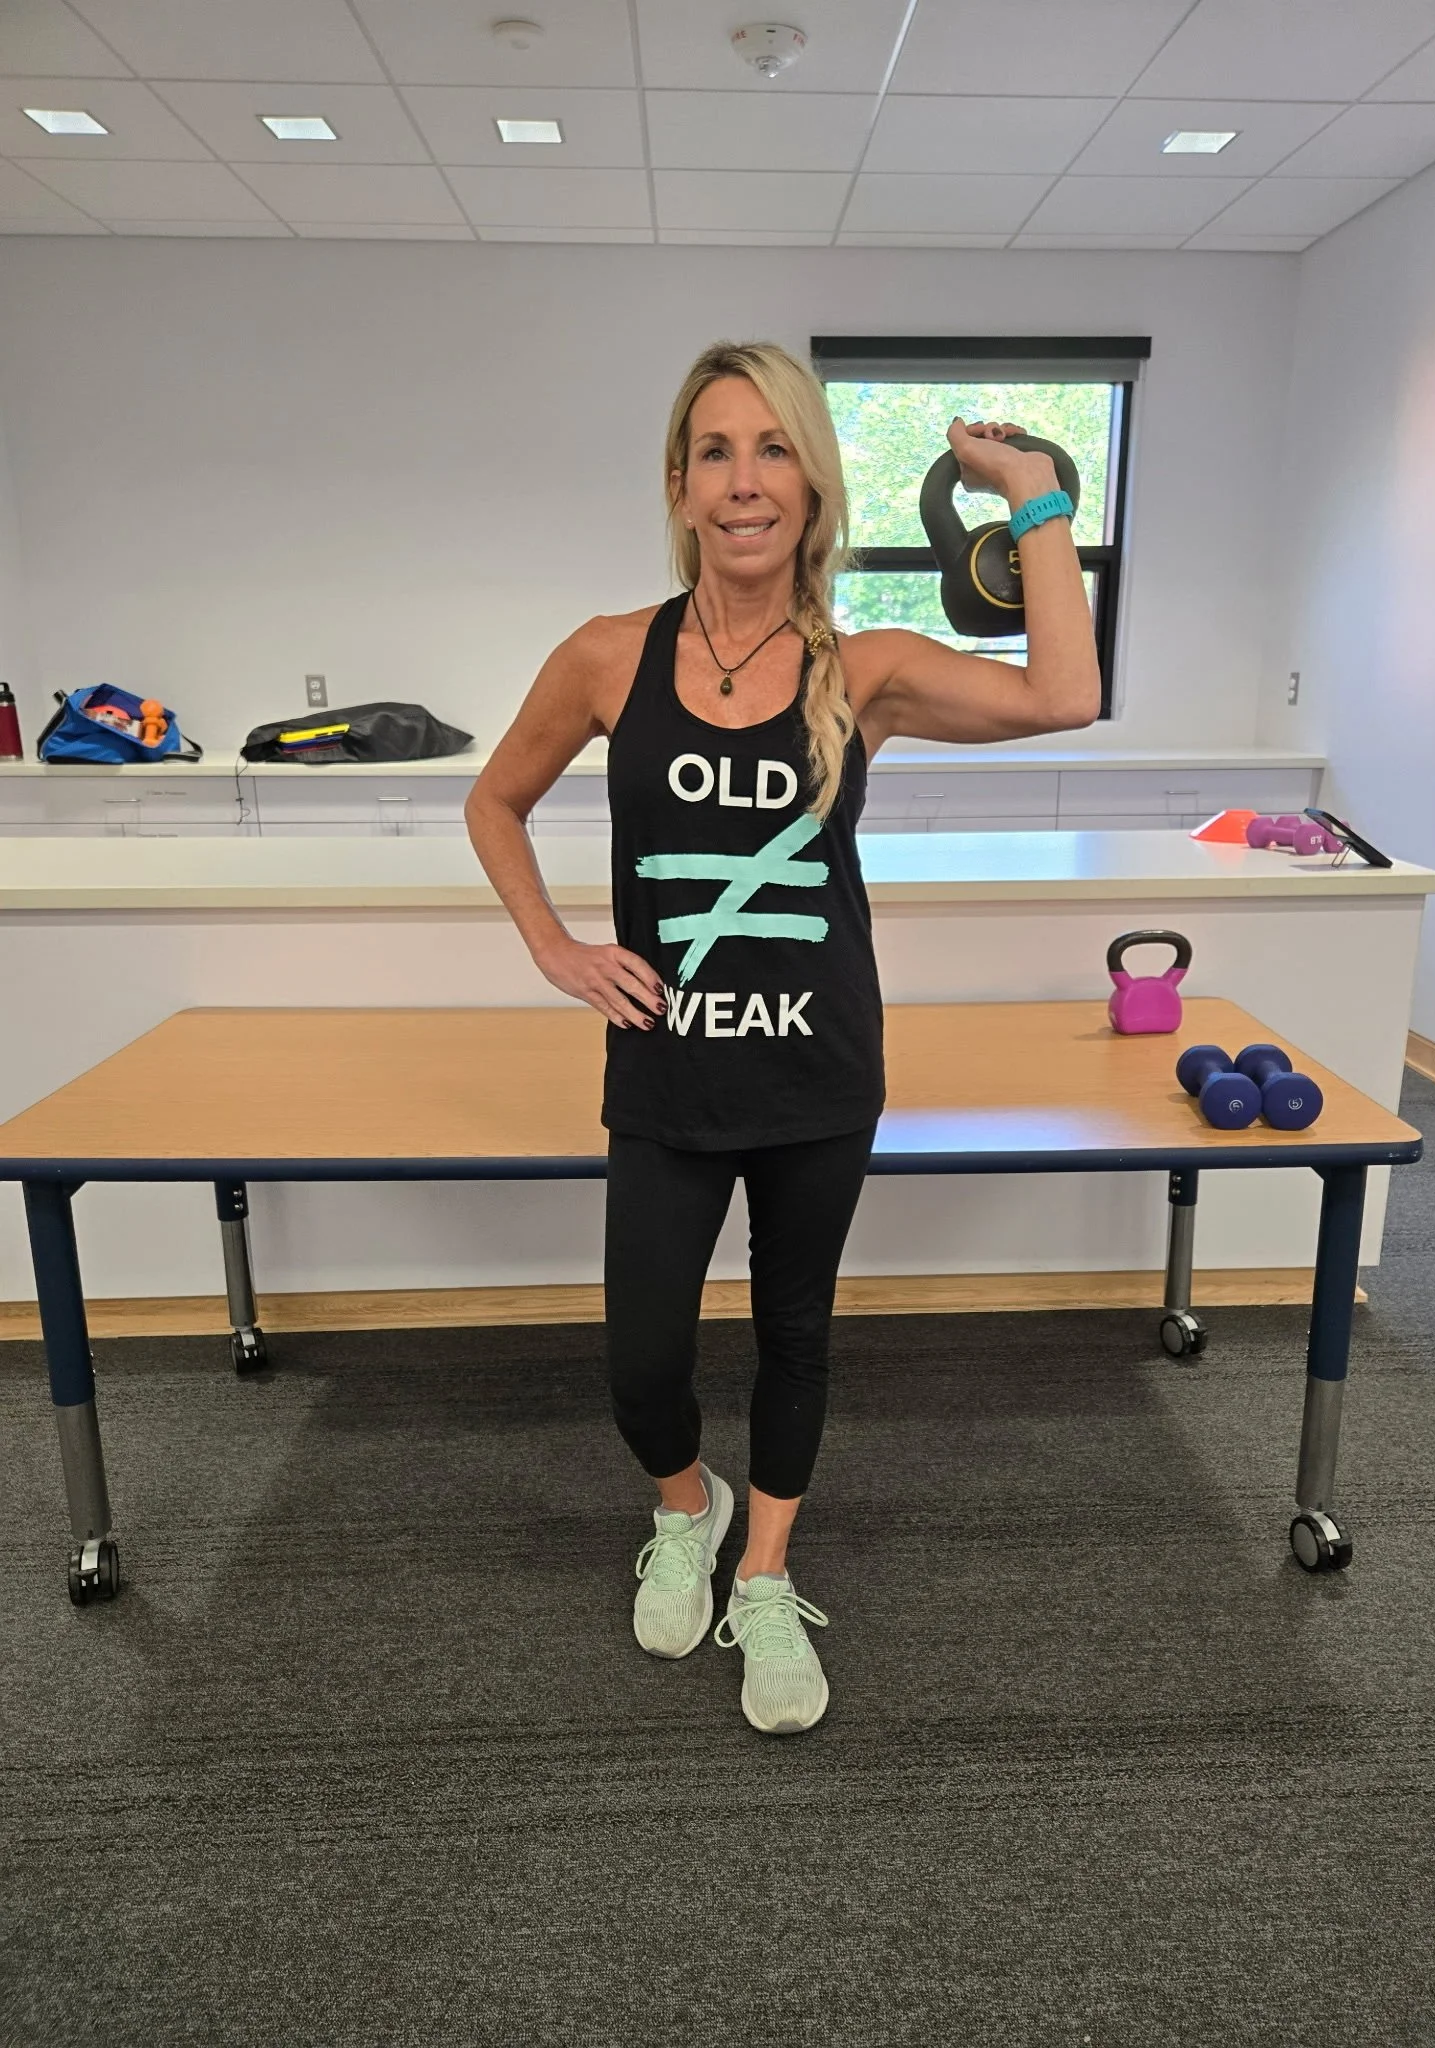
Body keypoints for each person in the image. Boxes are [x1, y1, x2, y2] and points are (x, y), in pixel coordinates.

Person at [466, 340, 1099, 1734]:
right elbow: (493, 804)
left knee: (794, 1337)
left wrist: (1040, 494)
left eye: (772, 451)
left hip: (819, 1075)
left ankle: (765, 1570)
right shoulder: (604, 658)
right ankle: (683, 1510)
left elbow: (1065, 695)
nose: (744, 480)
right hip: (669, 1074)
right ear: (681, 487)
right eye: (714, 451)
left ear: (812, 486)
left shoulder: (860, 668)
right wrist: (557, 949)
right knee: (644, 1357)